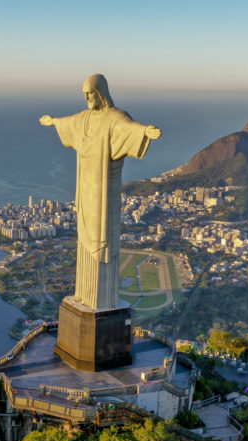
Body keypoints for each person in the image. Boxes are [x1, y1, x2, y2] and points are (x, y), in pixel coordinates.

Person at [40, 74, 161, 309]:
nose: (86, 97)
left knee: (102, 236)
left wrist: (145, 131)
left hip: (104, 189)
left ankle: (102, 301)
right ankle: (84, 296)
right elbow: (69, 122)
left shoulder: (114, 117)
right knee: (84, 234)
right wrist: (53, 121)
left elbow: (129, 128)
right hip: (85, 185)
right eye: (84, 93)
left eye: (90, 92)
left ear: (101, 92)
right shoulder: (84, 118)